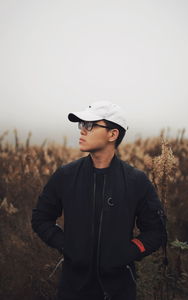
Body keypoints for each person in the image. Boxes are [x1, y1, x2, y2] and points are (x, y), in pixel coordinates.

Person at [31, 101, 167, 300]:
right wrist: (66, 244)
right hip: (72, 289)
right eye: (81, 125)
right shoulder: (65, 175)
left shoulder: (136, 181)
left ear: (113, 134)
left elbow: (156, 231)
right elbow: (40, 218)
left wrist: (129, 251)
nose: (82, 131)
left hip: (119, 290)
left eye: (90, 125)